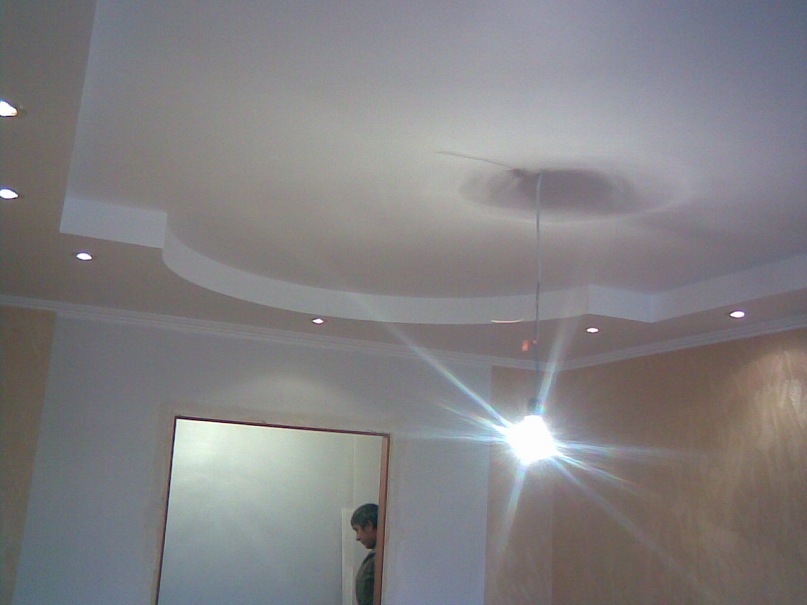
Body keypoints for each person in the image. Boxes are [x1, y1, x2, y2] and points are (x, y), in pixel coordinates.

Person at [350, 503, 378, 605]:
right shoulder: (377, 558)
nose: (357, 537)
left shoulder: (380, 560)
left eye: (357, 530)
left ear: (369, 526)